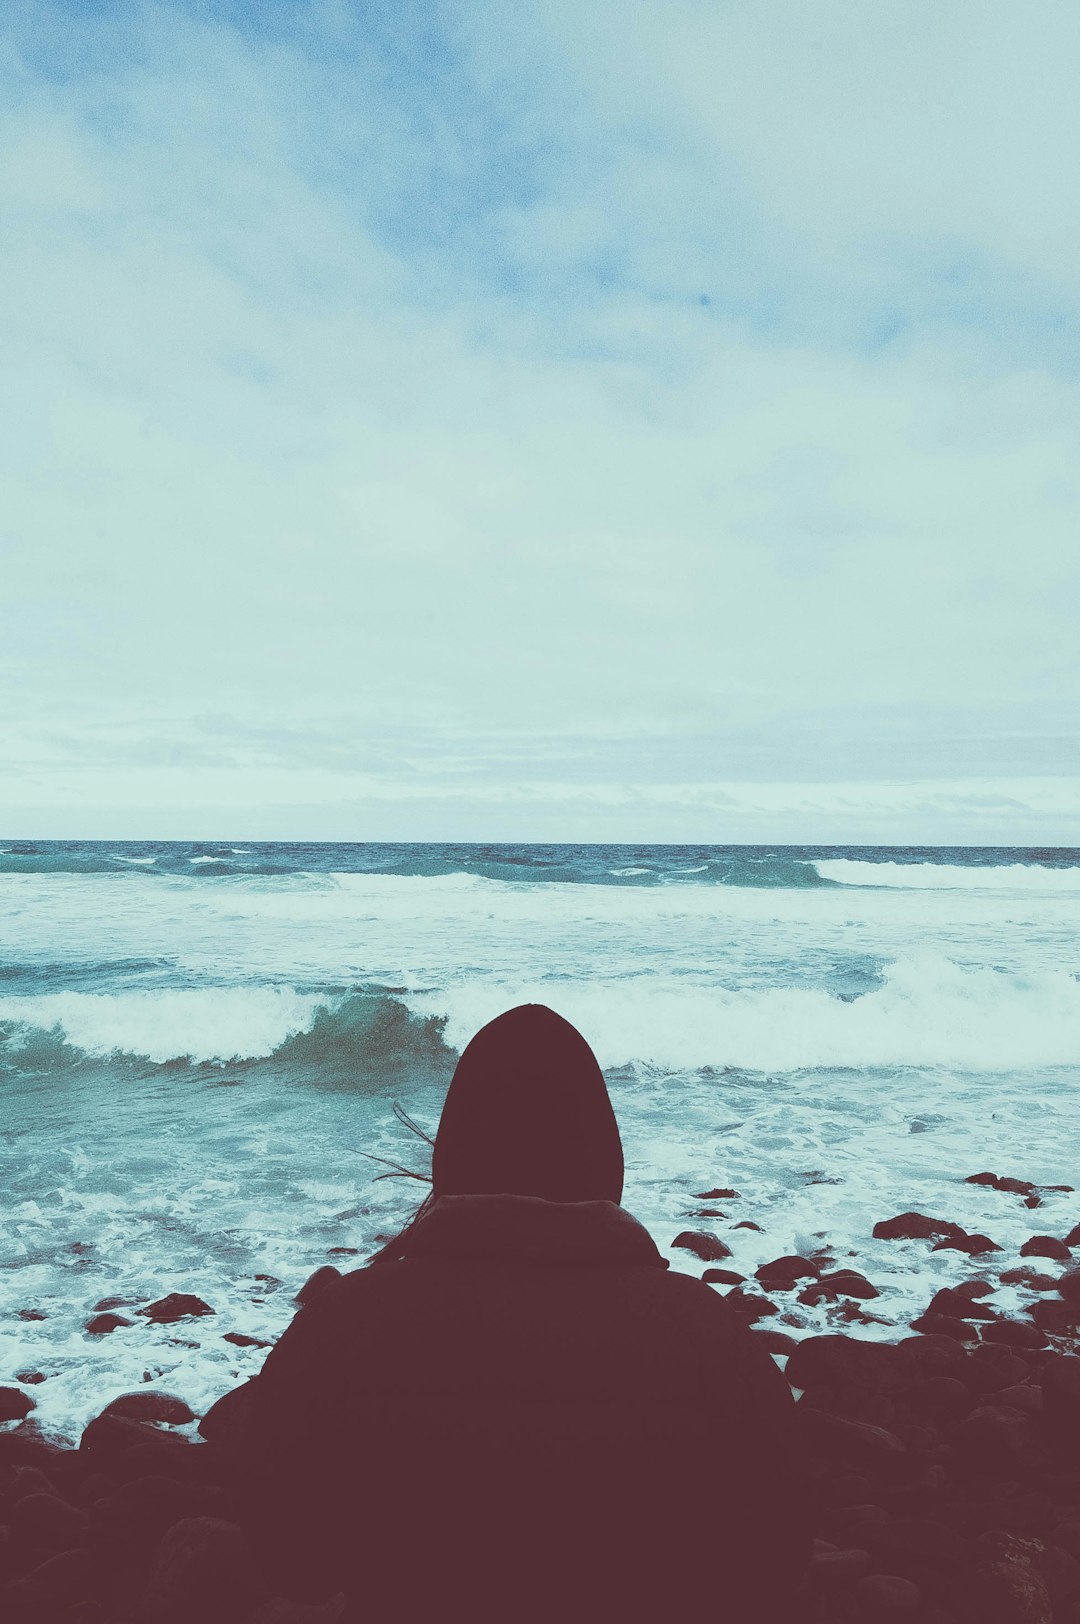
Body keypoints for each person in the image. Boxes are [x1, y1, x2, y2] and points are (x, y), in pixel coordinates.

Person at [236, 1004, 809, 1622]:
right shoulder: (706, 1331)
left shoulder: (345, 1322)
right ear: (602, 1154)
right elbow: (772, 1566)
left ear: (454, 1152)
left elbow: (288, 1559)